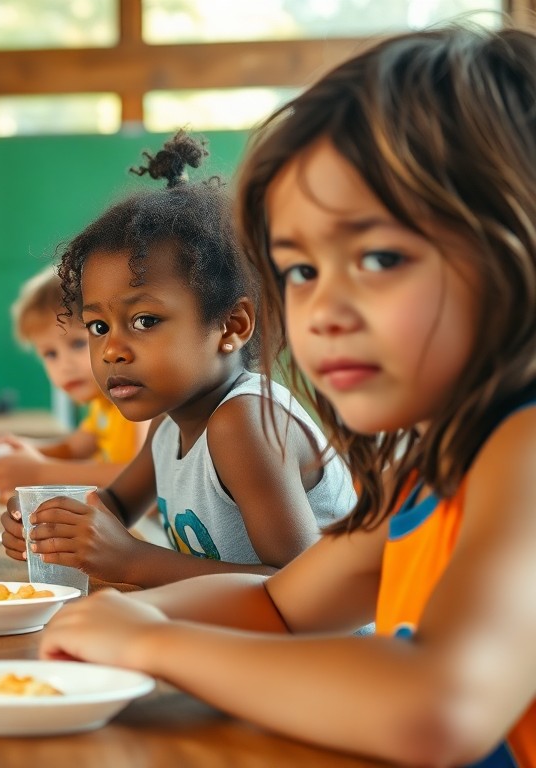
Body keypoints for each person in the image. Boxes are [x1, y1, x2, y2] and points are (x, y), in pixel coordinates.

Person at [39, 26, 536, 765]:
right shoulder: (436, 463)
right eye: (301, 270)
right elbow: (282, 601)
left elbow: (440, 707)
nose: (323, 309)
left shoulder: (524, 449)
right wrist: (118, 615)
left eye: (379, 257)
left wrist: (149, 637)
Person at [0, 130, 355, 588]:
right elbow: (110, 503)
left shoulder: (243, 423)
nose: (111, 349)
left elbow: (305, 589)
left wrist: (131, 560)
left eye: (145, 321)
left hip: (318, 655)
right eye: (98, 327)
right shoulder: (170, 425)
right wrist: (50, 522)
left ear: (231, 326)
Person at [0, 265, 146, 499]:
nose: (64, 365)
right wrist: (26, 452)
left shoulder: (138, 406)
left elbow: (137, 479)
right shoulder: (103, 405)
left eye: (77, 344)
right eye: (50, 354)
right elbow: (73, 449)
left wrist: (40, 471)